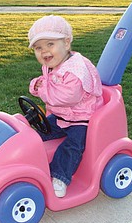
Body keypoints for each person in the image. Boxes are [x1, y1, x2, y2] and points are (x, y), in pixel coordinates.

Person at [28, 15, 104, 198]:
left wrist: (43, 90)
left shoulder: (75, 70)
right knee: (37, 132)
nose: (44, 51)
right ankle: (31, 162)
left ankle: (60, 176)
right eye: (39, 48)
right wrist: (36, 85)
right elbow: (48, 83)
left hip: (81, 118)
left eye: (50, 44)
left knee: (73, 146)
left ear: (67, 42)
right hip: (62, 116)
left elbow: (66, 97)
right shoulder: (55, 62)